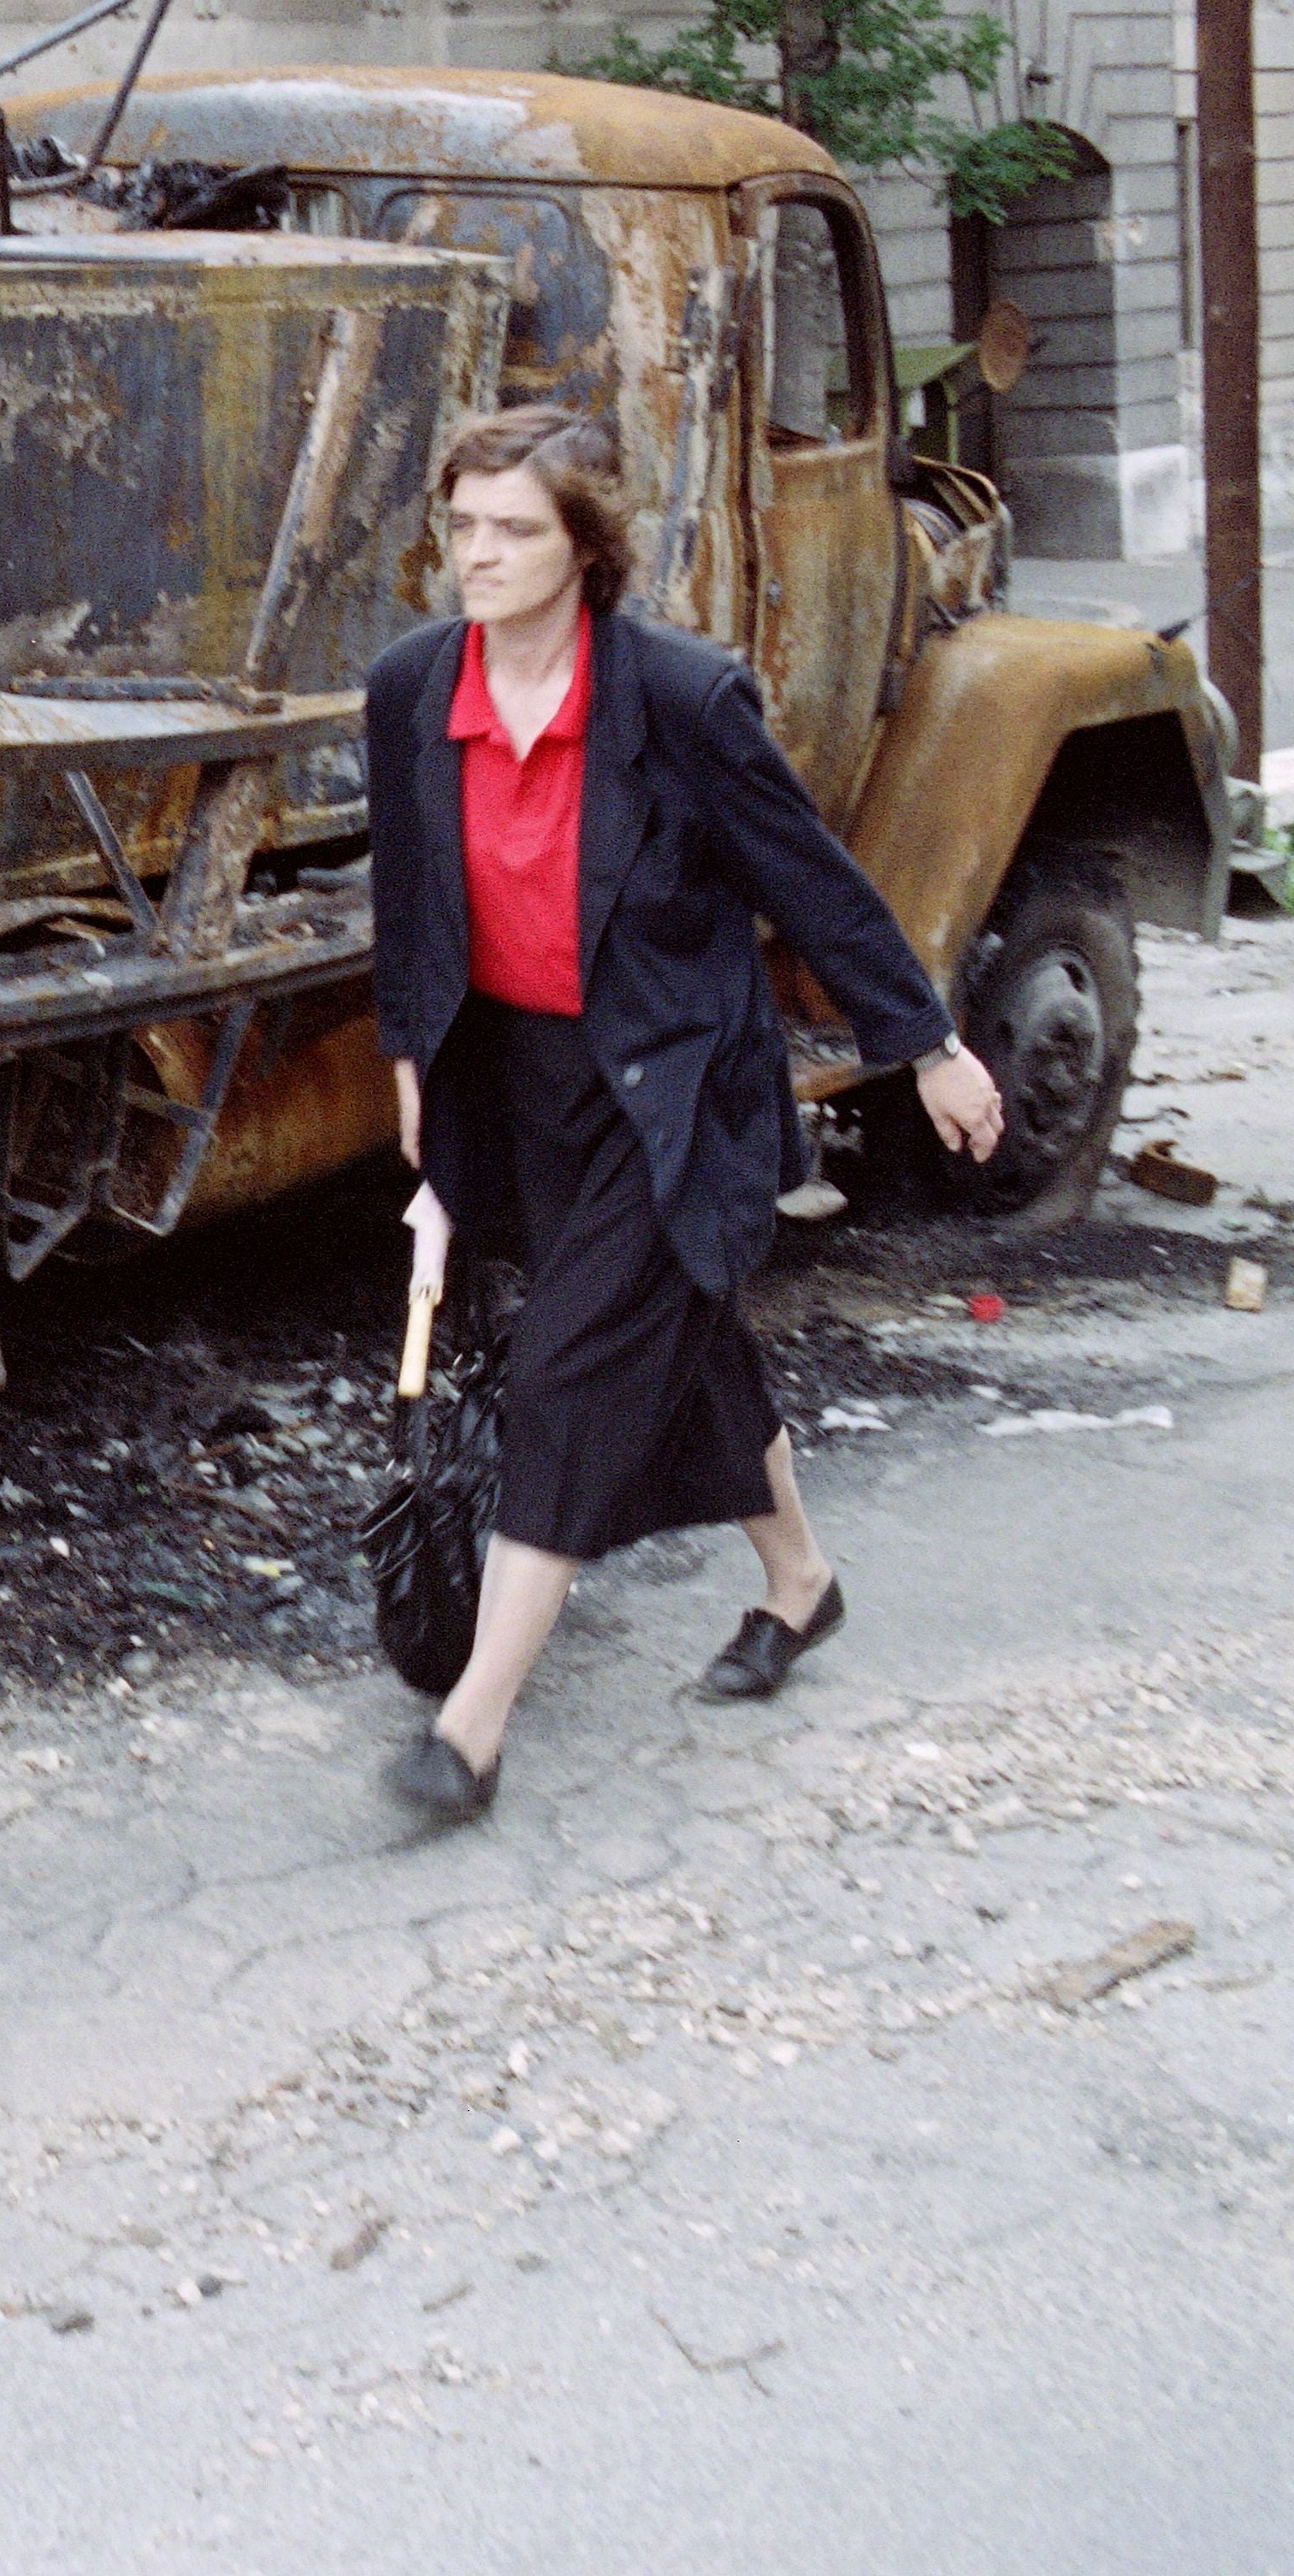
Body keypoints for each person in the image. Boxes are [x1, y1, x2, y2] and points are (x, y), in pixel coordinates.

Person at [357, 408, 1007, 1826]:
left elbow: (811, 878)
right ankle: (802, 1582)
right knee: (684, 1338)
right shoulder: (414, 688)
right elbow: (410, 910)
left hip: (674, 1089)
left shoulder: (680, 696)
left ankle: (470, 1730)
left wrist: (929, 1045)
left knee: (569, 1376)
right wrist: (416, 1089)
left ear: (587, 548)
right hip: (518, 1089)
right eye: (463, 524)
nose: (478, 552)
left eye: (514, 528)